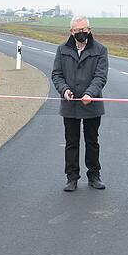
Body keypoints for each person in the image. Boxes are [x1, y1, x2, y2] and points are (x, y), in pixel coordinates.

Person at [51, 15, 108, 192]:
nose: (80, 33)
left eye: (83, 30)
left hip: (92, 105)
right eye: (77, 30)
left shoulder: (100, 50)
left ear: (89, 30)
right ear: (71, 32)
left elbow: (101, 76)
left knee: (92, 141)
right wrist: (64, 90)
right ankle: (72, 177)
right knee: (71, 142)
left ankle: (94, 176)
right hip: (70, 105)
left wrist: (90, 93)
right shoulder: (62, 50)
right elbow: (57, 74)